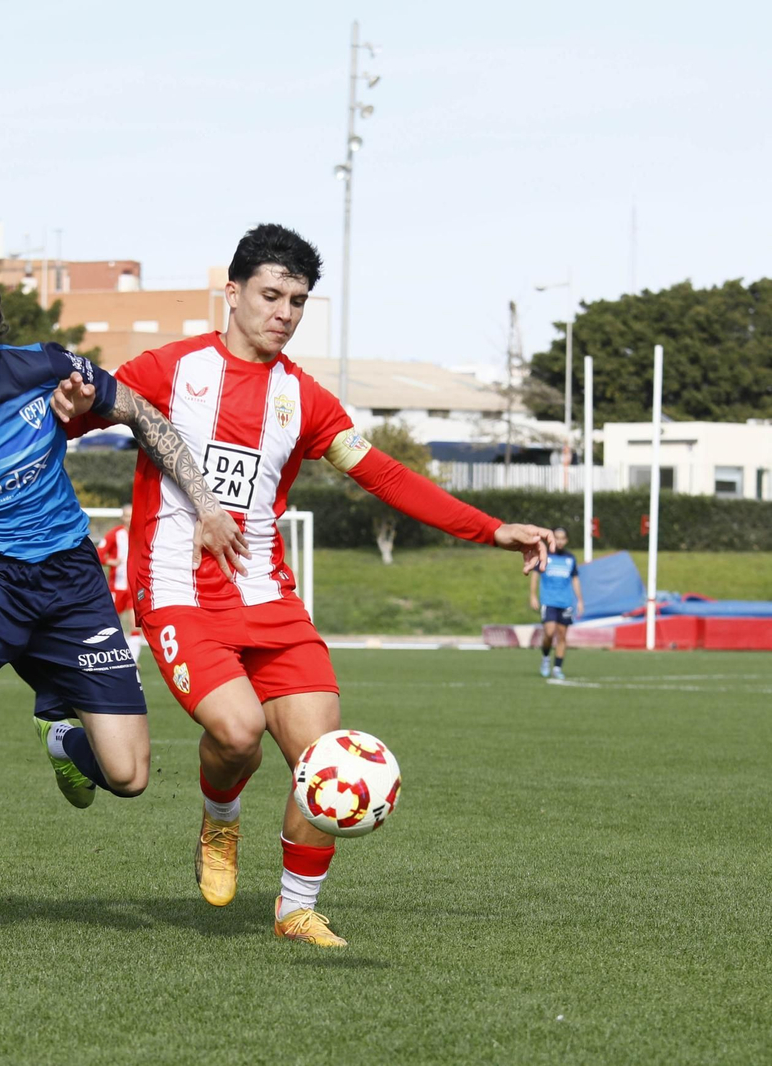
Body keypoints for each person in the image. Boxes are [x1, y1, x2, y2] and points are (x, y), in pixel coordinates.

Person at [56, 224, 554, 947]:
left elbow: (385, 475)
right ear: (232, 293)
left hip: (270, 599)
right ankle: (220, 819)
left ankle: (295, 910)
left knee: (326, 760)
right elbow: (67, 421)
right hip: (178, 593)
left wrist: (491, 529)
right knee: (237, 734)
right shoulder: (171, 368)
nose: (283, 313)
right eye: (270, 295)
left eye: (297, 301)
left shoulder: (304, 399)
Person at [0, 261, 245, 957]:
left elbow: (143, 415)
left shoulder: (46, 368)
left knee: (129, 778)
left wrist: (207, 503)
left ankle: (61, 737)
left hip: (71, 583)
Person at [530, 526, 584, 680]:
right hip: (549, 601)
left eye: (562, 538)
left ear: (566, 540)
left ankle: (557, 668)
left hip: (565, 602)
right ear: (552, 539)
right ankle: (546, 658)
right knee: (549, 632)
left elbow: (575, 580)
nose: (559, 541)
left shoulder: (570, 558)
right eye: (557, 538)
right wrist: (533, 595)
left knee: (562, 635)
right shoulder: (544, 555)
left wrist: (580, 600)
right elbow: (535, 575)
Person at [96, 502, 142, 660]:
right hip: (117, 587)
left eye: (132, 516)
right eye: (127, 516)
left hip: (135, 587)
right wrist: (111, 561)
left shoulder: (142, 533)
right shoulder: (114, 534)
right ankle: (108, 653)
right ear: (122, 517)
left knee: (135, 623)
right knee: (110, 623)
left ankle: (133, 660)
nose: (130, 519)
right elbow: (98, 555)